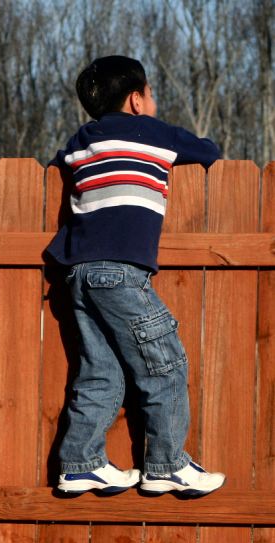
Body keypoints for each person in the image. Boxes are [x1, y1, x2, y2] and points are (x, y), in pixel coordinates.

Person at [47, 55, 225, 497]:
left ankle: (80, 462)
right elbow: (209, 151)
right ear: (136, 100)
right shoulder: (156, 133)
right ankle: (166, 464)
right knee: (166, 364)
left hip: (78, 274)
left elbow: (57, 163)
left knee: (100, 372)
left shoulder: (82, 139)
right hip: (120, 272)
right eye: (151, 93)